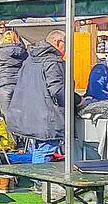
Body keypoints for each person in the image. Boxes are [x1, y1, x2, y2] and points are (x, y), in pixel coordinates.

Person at [5, 30, 66, 160]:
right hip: (46, 117)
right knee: (45, 151)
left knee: (38, 149)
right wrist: (76, 101)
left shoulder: (31, 58)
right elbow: (57, 90)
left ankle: (37, 178)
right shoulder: (52, 61)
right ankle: (40, 180)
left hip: (30, 113)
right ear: (59, 42)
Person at [0, 29, 28, 117]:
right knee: (19, 110)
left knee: (6, 111)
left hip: (5, 83)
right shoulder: (23, 51)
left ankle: (9, 129)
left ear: (3, 39)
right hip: (20, 83)